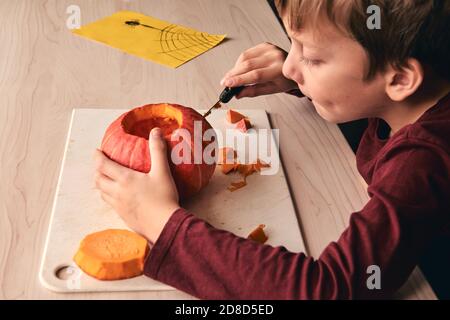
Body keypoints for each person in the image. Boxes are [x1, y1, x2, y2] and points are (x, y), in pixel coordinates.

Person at [93, 0, 450, 299]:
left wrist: (160, 219)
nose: (289, 64)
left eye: (312, 57)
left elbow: (328, 290)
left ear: (401, 79)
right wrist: (303, 82)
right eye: (292, 45)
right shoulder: (418, 98)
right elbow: (366, 93)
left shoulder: (424, 164)